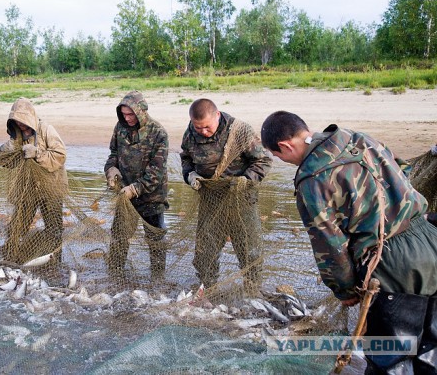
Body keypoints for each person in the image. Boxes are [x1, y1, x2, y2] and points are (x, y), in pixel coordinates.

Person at [261, 110, 437, 373]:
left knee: (391, 354)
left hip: (391, 260)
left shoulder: (312, 178)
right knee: (431, 347)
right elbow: (404, 169)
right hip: (429, 237)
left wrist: (344, 290)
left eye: (278, 155)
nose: (282, 160)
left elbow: (329, 246)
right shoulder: (356, 138)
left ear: (285, 146)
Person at [180, 99, 272, 296]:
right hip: (210, 199)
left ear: (217, 115)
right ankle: (208, 288)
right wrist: (190, 175)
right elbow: (186, 158)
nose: (203, 131)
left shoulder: (240, 131)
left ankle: (252, 290)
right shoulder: (191, 132)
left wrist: (246, 180)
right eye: (198, 127)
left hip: (241, 198)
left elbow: (263, 160)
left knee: (249, 248)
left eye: (207, 127)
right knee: (206, 249)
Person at [104, 91, 169, 281]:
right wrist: (111, 169)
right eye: (124, 114)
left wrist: (135, 189)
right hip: (125, 195)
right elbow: (113, 154)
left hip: (152, 197)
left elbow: (156, 172)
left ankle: (158, 279)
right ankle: (115, 275)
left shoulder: (158, 133)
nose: (127, 118)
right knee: (119, 237)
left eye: (131, 114)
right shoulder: (120, 128)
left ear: (141, 111)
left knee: (155, 240)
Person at [0, 98, 67, 266]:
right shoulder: (17, 136)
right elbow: (4, 161)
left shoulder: (46, 129)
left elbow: (60, 156)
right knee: (17, 226)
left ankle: (55, 262)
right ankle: (11, 257)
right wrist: (9, 149)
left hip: (51, 186)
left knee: (54, 229)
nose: (20, 125)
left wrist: (37, 154)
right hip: (27, 188)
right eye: (16, 121)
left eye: (23, 120)